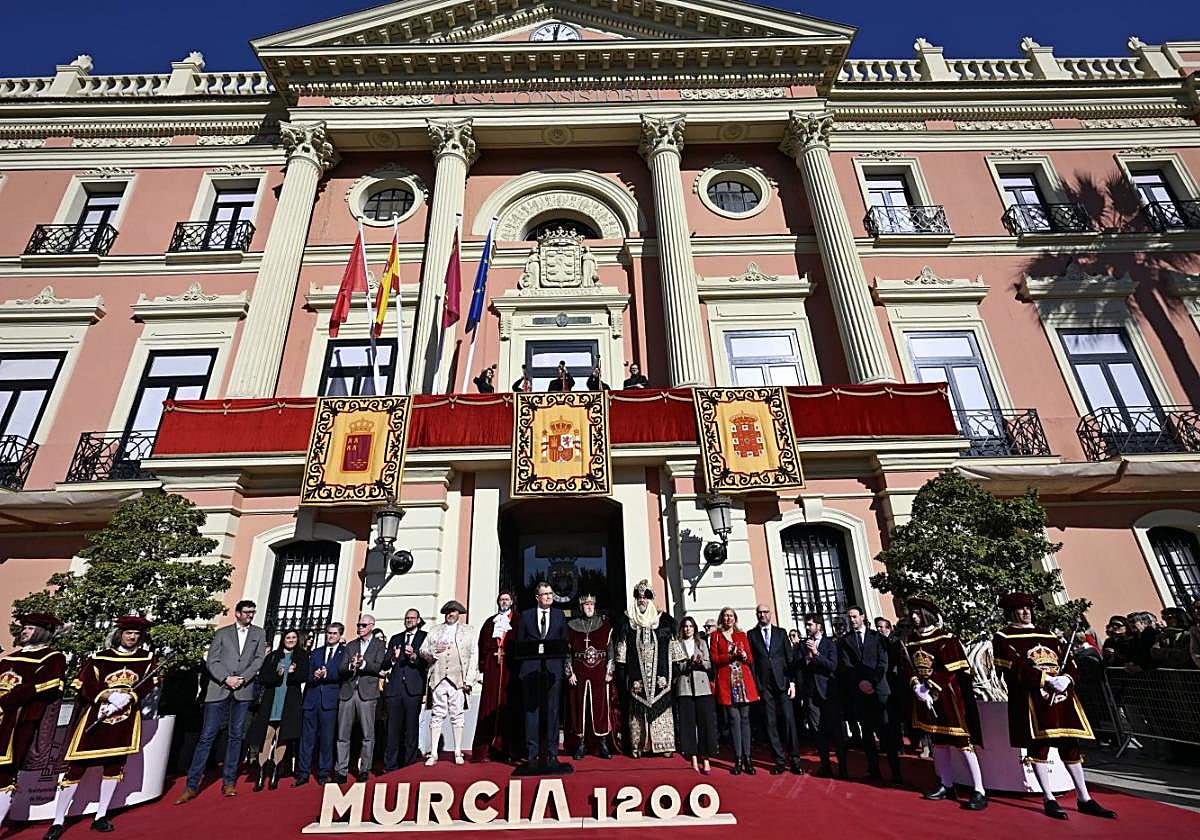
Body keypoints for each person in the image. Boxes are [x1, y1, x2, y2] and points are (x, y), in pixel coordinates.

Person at [992, 592, 1116, 820]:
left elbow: (1068, 661)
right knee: (1040, 747)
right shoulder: (1004, 636)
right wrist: (1045, 680)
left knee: (1070, 745)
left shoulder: (1048, 634)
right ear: (1011, 612)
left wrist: (1067, 678)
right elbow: (1014, 666)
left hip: (1062, 697)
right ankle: (1048, 798)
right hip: (1033, 700)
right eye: (1020, 608)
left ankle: (1084, 797)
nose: (1026, 612)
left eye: (1028, 608)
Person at [46, 616, 157, 838]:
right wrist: (105, 695)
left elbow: (147, 684)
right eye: (128, 633)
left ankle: (101, 815)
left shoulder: (147, 658)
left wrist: (131, 696)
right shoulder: (100, 657)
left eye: (136, 634)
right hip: (97, 716)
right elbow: (84, 685)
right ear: (120, 634)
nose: (132, 637)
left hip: (125, 719)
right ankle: (58, 820)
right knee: (76, 768)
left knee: (114, 767)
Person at [902, 597, 987, 811]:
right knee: (937, 741)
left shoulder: (946, 638)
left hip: (948, 698)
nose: (914, 616)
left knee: (962, 743)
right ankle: (946, 785)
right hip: (924, 697)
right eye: (912, 613)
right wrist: (915, 686)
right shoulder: (910, 640)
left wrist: (930, 686)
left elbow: (951, 669)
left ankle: (979, 789)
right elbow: (908, 666)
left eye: (918, 613)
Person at [178, 600, 266, 803]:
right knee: (207, 736)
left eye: (252, 612)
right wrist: (226, 678)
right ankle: (192, 785)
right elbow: (212, 660)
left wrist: (243, 678)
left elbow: (259, 659)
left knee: (236, 736)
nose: (250, 616)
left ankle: (229, 782)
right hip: (219, 690)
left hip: (243, 690)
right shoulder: (222, 633)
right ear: (237, 613)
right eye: (246, 612)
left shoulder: (259, 634)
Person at [0, 614, 67, 834]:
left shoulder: (52, 657)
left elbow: (43, 685)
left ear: (41, 631)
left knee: (5, 771)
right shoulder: (11, 657)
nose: (24, 631)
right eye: (25, 628)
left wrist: (5, 701)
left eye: (29, 628)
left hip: (20, 717)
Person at [616, 580, 683, 758]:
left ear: (651, 599)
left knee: (662, 710)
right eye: (639, 597)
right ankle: (639, 746)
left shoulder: (665, 621)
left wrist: (675, 671)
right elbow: (621, 655)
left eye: (645, 597)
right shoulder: (627, 622)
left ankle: (664, 745)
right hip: (637, 678)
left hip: (661, 677)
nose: (642, 600)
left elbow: (675, 650)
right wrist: (623, 675)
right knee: (637, 713)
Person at [838, 605, 901, 784]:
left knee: (887, 733)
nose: (852, 620)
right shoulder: (845, 640)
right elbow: (846, 665)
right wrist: (861, 683)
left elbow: (883, 662)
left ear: (863, 617)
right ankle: (873, 770)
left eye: (855, 617)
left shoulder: (877, 638)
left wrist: (872, 682)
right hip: (860, 692)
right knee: (867, 734)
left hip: (880, 690)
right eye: (849, 617)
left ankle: (895, 772)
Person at [247, 628, 307, 791]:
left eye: (294, 637)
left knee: (283, 737)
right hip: (271, 701)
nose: (291, 640)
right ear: (283, 639)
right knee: (266, 736)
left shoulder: (301, 656)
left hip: (289, 703)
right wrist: (278, 674)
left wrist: (293, 673)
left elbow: (304, 676)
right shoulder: (273, 656)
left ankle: (275, 773)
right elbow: (264, 678)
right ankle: (260, 773)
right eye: (288, 637)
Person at [517, 582, 569, 767]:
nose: (549, 596)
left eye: (551, 593)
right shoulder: (526, 616)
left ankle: (552, 752)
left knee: (553, 712)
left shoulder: (559, 615)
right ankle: (532, 753)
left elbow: (564, 642)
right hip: (531, 671)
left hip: (553, 671)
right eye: (545, 594)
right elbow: (521, 643)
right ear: (537, 597)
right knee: (532, 712)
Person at [420, 600, 477, 765]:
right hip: (438, 677)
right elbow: (423, 650)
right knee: (437, 715)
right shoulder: (435, 630)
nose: (450, 614)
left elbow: (473, 656)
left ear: (458, 613)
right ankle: (434, 753)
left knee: (457, 715)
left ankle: (458, 752)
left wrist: (469, 680)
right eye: (448, 612)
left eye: (453, 611)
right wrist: (432, 651)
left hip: (457, 678)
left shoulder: (468, 631)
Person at [748, 604, 802, 775]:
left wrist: (792, 682)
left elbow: (789, 658)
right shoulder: (752, 635)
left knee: (788, 720)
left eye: (765, 612)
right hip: (764, 686)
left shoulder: (781, 633)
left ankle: (794, 760)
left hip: (783, 683)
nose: (762, 615)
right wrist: (756, 686)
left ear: (770, 614)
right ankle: (778, 760)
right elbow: (753, 663)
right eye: (759, 613)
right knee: (770, 723)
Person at [335, 613, 387, 782]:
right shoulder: (351, 645)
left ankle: (364, 768)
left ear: (371, 626)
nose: (360, 628)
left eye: (363, 625)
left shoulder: (379, 645)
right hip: (348, 692)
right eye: (358, 625)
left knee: (367, 734)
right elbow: (341, 668)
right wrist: (351, 665)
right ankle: (341, 770)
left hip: (367, 693)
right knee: (343, 734)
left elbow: (379, 666)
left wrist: (363, 664)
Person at [565, 594, 616, 760]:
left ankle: (602, 743)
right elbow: (568, 653)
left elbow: (610, 650)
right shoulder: (572, 626)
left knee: (600, 707)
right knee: (579, 707)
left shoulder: (604, 625)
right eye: (586, 605)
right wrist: (569, 672)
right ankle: (580, 743)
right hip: (579, 671)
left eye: (591, 605)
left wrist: (609, 670)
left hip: (599, 672)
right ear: (581, 607)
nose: (589, 607)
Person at [293, 623, 345, 786]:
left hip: (329, 701)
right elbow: (306, 675)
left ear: (339, 635)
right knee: (306, 739)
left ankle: (323, 773)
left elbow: (343, 673)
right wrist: (314, 676)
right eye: (328, 633)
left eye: (334, 633)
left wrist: (327, 674)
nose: (330, 636)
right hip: (311, 699)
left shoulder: (344, 653)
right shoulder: (316, 653)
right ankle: (303, 773)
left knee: (327, 739)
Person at [798, 613, 847, 779]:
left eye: (810, 624)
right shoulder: (803, 645)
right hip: (811, 694)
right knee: (818, 731)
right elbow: (798, 667)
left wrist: (817, 654)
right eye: (806, 624)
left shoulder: (830, 644)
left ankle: (843, 767)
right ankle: (825, 765)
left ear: (818, 625)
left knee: (836, 731)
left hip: (828, 693)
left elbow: (833, 666)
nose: (807, 627)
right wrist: (806, 659)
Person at [710, 606, 758, 775]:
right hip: (727, 682)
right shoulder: (715, 636)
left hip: (742, 682)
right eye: (725, 616)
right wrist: (730, 655)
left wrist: (744, 655)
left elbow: (751, 659)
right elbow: (714, 659)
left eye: (731, 616)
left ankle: (748, 758)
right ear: (721, 618)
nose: (728, 619)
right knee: (733, 719)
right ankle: (737, 758)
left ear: (735, 618)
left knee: (745, 719)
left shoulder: (741, 635)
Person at [473, 592, 519, 763]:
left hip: (510, 669)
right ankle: (486, 749)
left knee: (509, 706)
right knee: (489, 706)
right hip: (493, 669)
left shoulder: (518, 620)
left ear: (511, 602)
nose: (504, 602)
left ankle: (509, 749)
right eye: (501, 600)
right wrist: (483, 666)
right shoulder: (489, 623)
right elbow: (482, 645)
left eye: (506, 599)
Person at [382, 610, 428, 771]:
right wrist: (394, 658)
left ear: (418, 620)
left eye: (412, 618)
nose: (409, 620)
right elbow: (385, 664)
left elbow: (427, 662)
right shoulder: (396, 638)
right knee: (392, 729)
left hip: (413, 688)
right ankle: (390, 766)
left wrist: (414, 656)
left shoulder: (424, 637)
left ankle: (409, 766)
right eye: (407, 618)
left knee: (411, 729)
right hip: (395, 689)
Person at [675, 616, 717, 775]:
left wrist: (699, 662)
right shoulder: (677, 644)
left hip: (702, 688)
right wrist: (688, 663)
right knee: (688, 724)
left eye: (690, 626)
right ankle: (692, 758)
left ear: (694, 628)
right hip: (685, 688)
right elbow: (677, 665)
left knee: (705, 723)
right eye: (685, 626)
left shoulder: (702, 643)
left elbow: (708, 664)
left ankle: (705, 759)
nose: (687, 629)